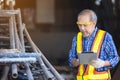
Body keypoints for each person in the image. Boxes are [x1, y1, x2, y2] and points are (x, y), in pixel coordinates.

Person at [68, 9, 119, 80]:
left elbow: (115, 58)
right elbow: (71, 61)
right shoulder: (76, 38)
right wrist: (77, 61)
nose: (82, 28)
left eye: (85, 25)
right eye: (79, 25)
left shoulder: (105, 37)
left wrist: (103, 63)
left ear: (94, 23)